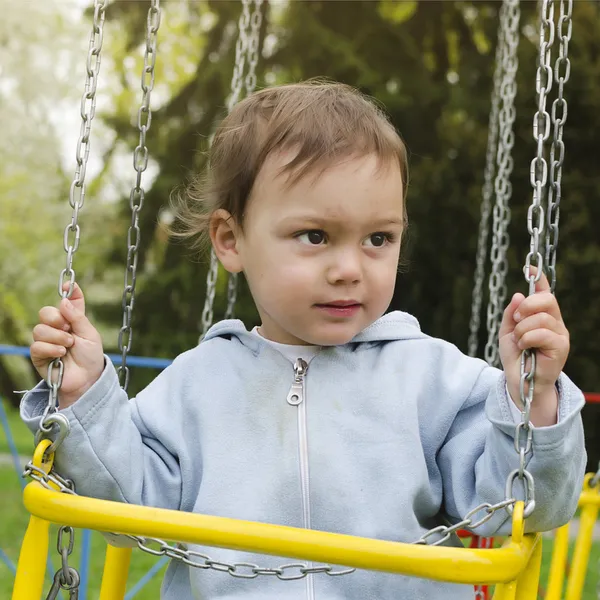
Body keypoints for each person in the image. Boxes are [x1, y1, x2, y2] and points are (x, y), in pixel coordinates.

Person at [21, 81, 585, 600]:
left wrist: (532, 401)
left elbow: (524, 509)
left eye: (378, 239)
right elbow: (122, 510)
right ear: (230, 240)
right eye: (315, 236)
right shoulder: (197, 385)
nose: (349, 269)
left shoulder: (435, 381)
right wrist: (83, 397)